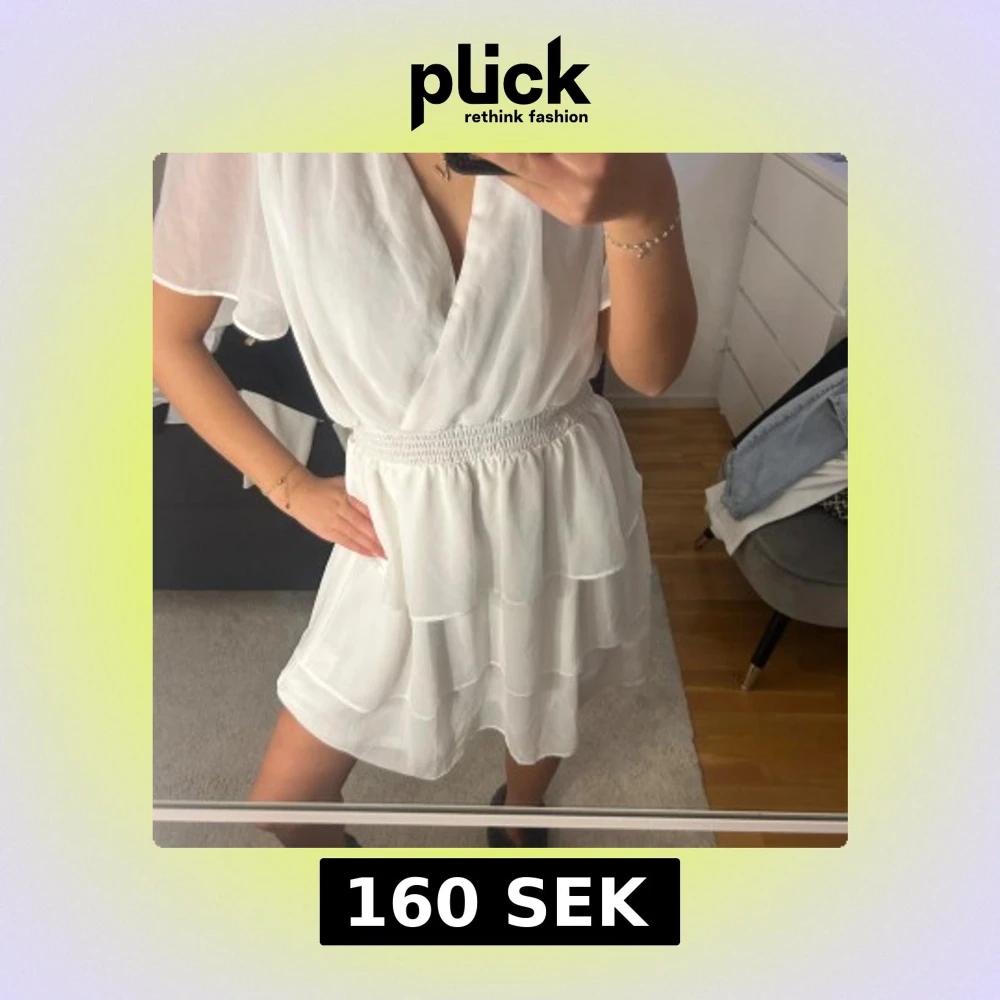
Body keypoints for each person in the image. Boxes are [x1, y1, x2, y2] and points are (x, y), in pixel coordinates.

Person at [152, 152, 697, 848]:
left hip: (555, 483)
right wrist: (289, 485)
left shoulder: (572, 99)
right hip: (395, 522)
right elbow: (168, 338)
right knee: (284, 804)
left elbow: (650, 374)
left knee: (544, 680)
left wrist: (647, 203)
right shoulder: (251, 124)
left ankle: (521, 812)